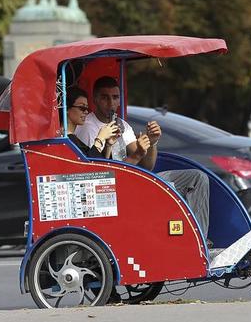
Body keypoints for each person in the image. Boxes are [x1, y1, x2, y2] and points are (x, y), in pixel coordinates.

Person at [76, 77, 211, 240]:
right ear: (95, 100)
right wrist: (137, 154)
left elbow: (147, 167)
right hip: (114, 191)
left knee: (198, 178)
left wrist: (152, 142)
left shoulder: (122, 125)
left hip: (137, 181)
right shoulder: (88, 127)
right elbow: (106, 175)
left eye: (115, 97)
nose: (111, 103)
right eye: (105, 98)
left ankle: (199, 240)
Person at [65, 87, 119, 158]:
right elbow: (87, 165)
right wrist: (100, 138)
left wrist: (108, 145)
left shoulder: (74, 138)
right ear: (67, 109)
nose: (86, 112)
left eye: (87, 108)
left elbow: (100, 163)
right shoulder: (64, 139)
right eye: (82, 108)